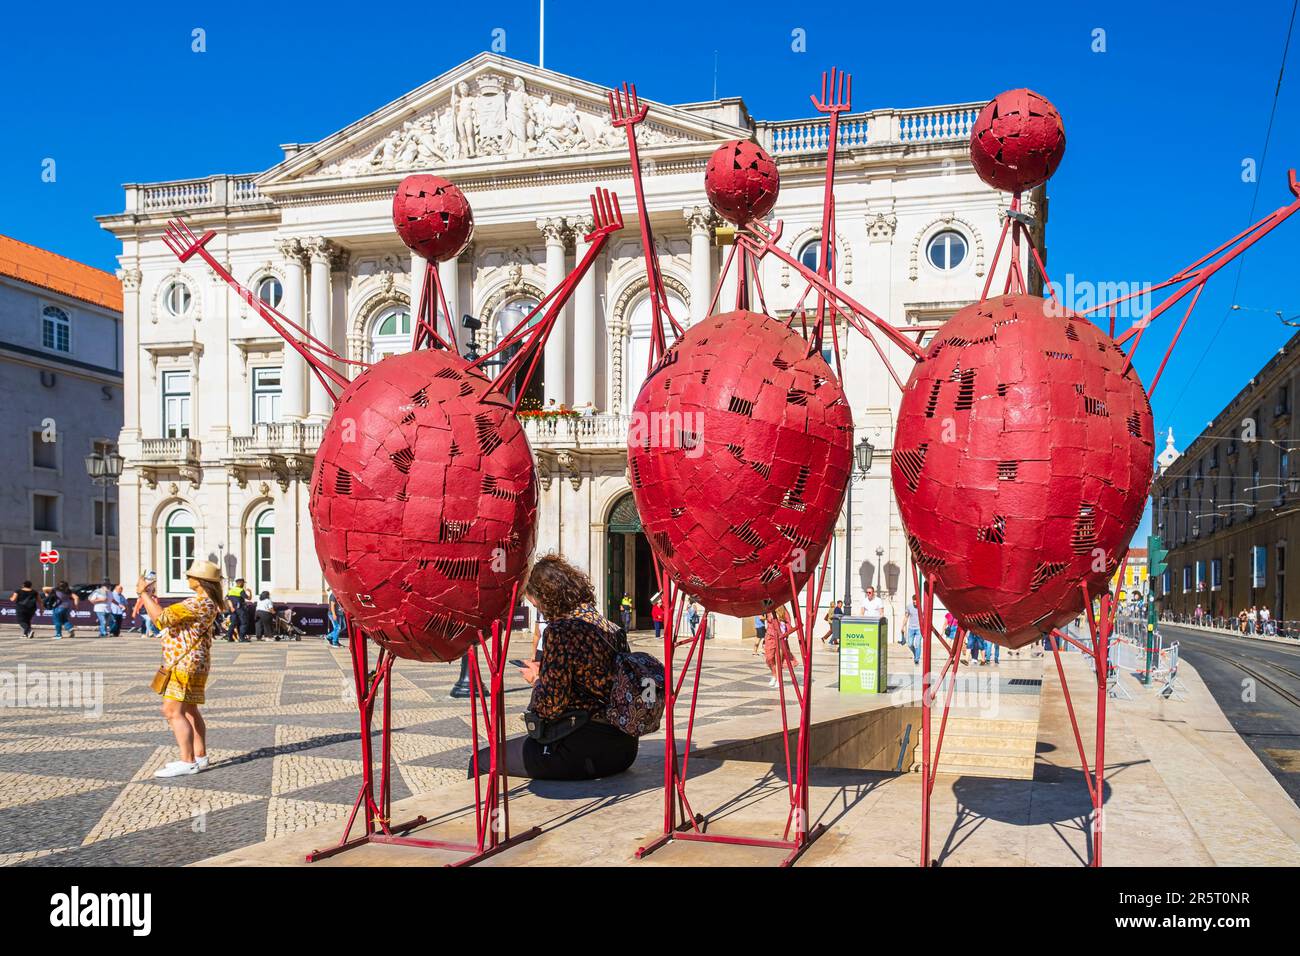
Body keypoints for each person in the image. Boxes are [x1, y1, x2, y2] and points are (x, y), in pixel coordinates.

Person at [474, 554, 638, 781]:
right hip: (624, 749)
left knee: (482, 760)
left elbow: (550, 705)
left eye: (535, 603)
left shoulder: (561, 631)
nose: (537, 608)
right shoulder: (611, 627)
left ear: (545, 598)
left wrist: (536, 679)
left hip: (581, 751)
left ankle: (491, 816)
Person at [135, 560, 221, 777]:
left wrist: (143, 593)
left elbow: (161, 619)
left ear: (201, 582)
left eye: (190, 576)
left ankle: (188, 760)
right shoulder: (208, 602)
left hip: (184, 662)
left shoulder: (198, 603)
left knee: (172, 711)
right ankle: (199, 756)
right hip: (196, 661)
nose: (187, 578)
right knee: (190, 710)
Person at [763, 606, 795, 689]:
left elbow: (788, 623)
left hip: (780, 637)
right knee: (769, 658)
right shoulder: (769, 607)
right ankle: (774, 674)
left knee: (778, 659)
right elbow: (762, 612)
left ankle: (778, 679)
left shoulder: (783, 610)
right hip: (770, 636)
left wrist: (785, 633)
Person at [225, 578, 251, 642]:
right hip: (240, 608)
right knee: (244, 622)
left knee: (233, 623)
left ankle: (229, 637)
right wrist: (250, 592)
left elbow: (228, 599)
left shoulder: (231, 590)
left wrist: (231, 607)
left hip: (232, 609)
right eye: (243, 583)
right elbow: (249, 598)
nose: (244, 584)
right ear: (241, 583)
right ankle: (242, 638)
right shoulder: (241, 590)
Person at [905, 594, 922, 664]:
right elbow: (906, 616)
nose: (914, 602)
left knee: (917, 644)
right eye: (913, 600)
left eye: (916, 600)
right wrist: (903, 626)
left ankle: (917, 659)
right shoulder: (909, 606)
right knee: (909, 644)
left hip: (919, 629)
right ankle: (915, 654)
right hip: (911, 628)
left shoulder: (922, 607)